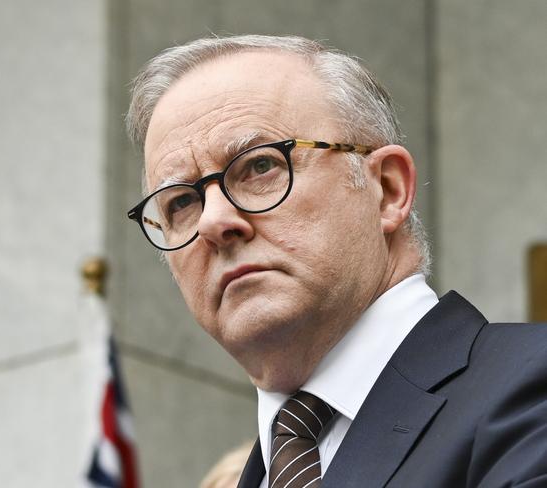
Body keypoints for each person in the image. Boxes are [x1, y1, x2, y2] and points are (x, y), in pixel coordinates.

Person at [125, 35, 547, 487]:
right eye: (181, 203)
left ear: (386, 190)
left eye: (260, 166)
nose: (213, 221)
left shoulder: (531, 388)